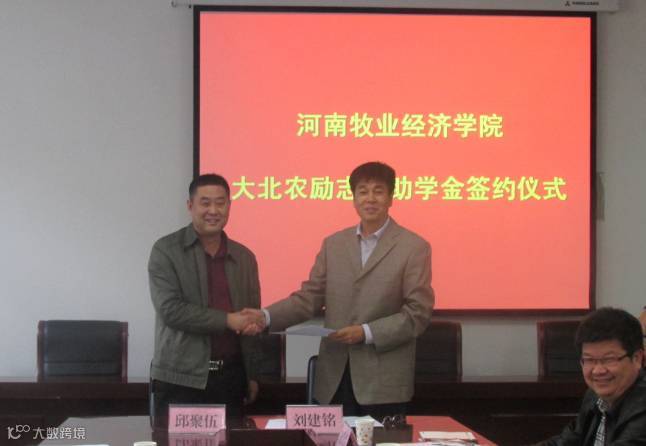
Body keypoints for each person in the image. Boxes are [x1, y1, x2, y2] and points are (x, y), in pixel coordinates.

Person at [244, 161, 434, 421]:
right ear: (353, 198)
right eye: (363, 191)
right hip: (333, 378)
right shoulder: (333, 244)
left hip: (383, 385)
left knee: (381, 442)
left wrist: (366, 332)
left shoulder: (413, 247)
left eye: (378, 191)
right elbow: (309, 297)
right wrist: (264, 316)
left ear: (391, 197)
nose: (370, 198)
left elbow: (417, 313)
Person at [148, 173, 262, 427]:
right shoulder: (166, 250)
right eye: (205, 203)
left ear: (229, 206)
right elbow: (170, 310)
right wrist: (228, 320)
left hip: (231, 377)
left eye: (220, 203)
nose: (213, 210)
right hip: (181, 378)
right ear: (190, 206)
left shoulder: (245, 257)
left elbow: (252, 317)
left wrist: (252, 374)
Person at [534, 307, 646, 445]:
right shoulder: (594, 396)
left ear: (637, 358)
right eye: (589, 360)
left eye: (609, 359)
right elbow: (566, 442)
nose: (598, 370)